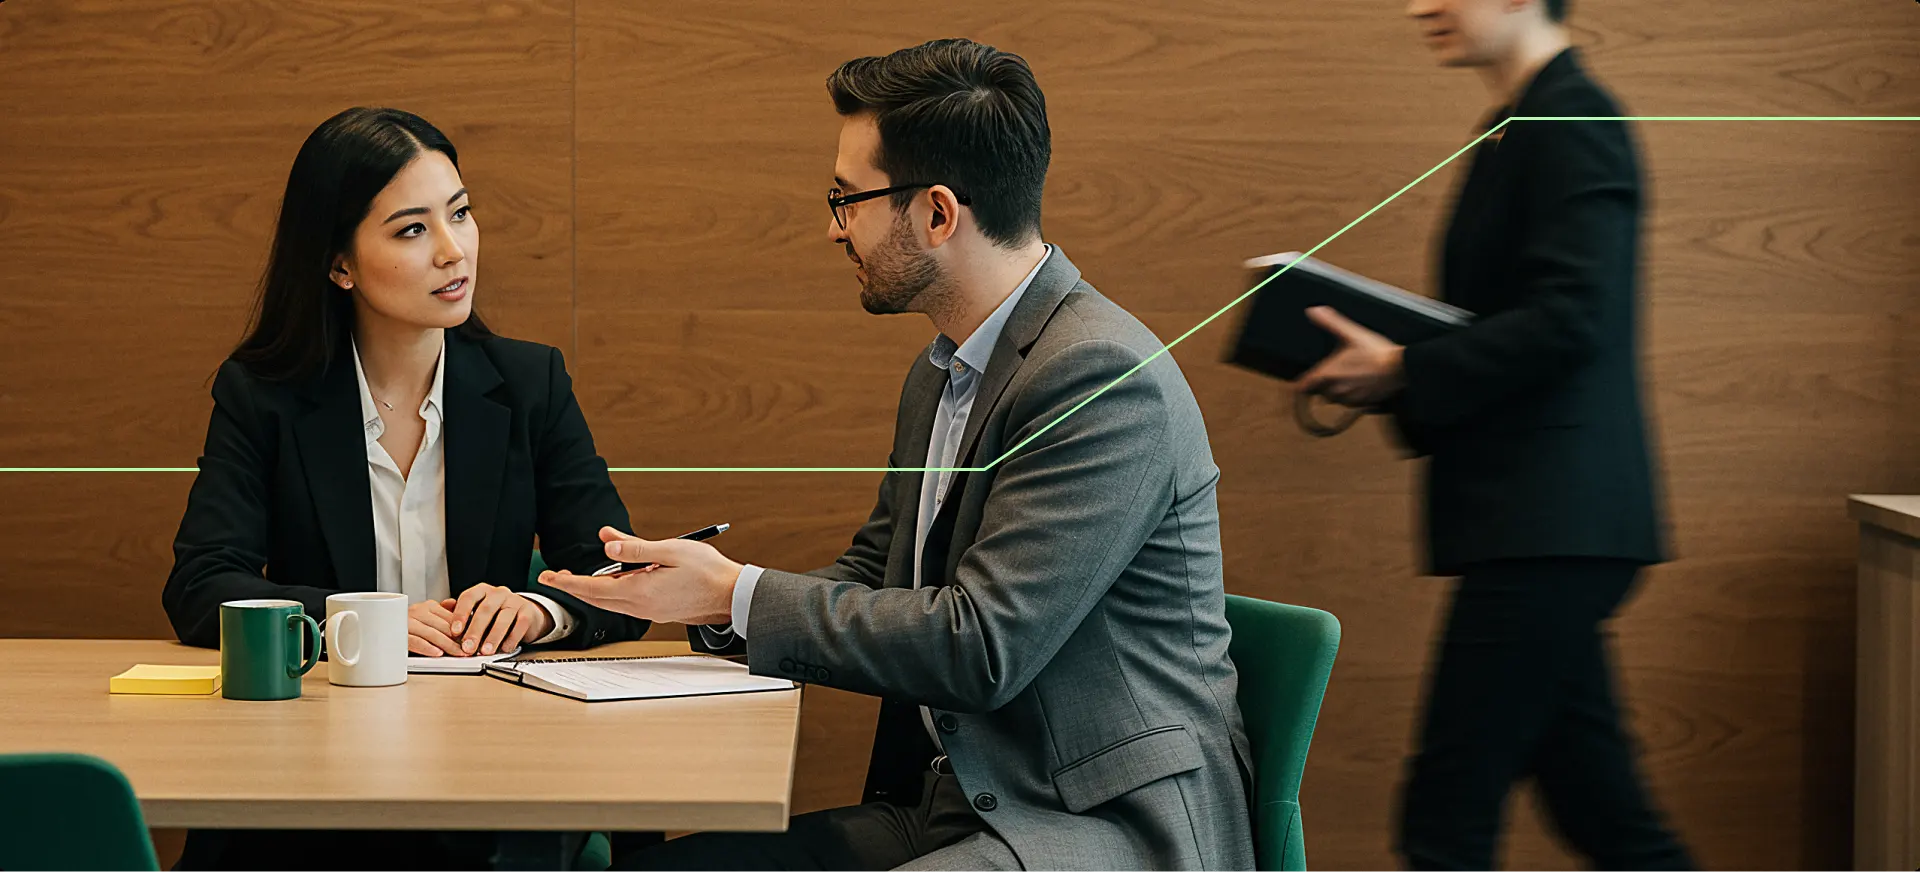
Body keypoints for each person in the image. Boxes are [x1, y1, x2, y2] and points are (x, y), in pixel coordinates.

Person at [543, 38, 1255, 872]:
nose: (832, 225)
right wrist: (707, 603)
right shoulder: (945, 369)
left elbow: (981, 645)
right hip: (960, 804)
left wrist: (741, 593)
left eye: (848, 199)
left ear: (938, 214)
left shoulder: (1100, 378)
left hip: (1096, 822)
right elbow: (882, 571)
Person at [162, 106, 652, 872]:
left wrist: (538, 608)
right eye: (412, 230)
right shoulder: (266, 396)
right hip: (309, 773)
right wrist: (361, 622)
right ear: (339, 265)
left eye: (460, 213)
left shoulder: (528, 384)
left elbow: (617, 575)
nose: (455, 251)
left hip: (486, 771)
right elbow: (199, 585)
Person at [1293, 1, 1697, 870]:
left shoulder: (1572, 119)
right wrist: (1394, 369)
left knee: (1447, 818)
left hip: (1553, 524)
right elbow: (1521, 321)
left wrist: (1403, 369)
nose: (1419, 5)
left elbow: (1571, 317)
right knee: (1605, 814)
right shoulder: (1520, 125)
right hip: (1540, 523)